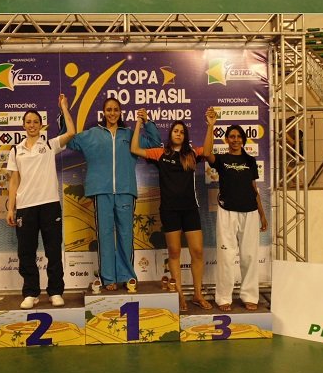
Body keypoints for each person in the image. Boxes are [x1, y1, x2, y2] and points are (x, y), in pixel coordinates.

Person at [67, 97, 161, 290]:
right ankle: (108, 278)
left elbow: (155, 143)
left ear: (120, 112)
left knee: (126, 234)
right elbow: (70, 141)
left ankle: (127, 276)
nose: (112, 113)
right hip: (101, 191)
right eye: (109, 109)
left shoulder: (129, 134)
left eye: (116, 109)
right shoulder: (92, 134)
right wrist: (64, 114)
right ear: (104, 112)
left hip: (125, 190)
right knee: (105, 234)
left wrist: (147, 122)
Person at [130, 112, 211, 313]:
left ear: (185, 136)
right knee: (174, 253)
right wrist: (139, 122)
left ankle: (198, 294)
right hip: (169, 210)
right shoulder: (161, 153)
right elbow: (134, 149)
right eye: (176, 131)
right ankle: (179, 294)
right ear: (171, 134)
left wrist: (211, 125)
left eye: (182, 132)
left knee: (197, 252)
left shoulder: (191, 154)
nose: (178, 134)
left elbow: (209, 151)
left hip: (190, 209)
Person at [5, 94, 76, 309]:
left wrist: (64, 107)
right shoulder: (16, 150)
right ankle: (31, 293)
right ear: (23, 125)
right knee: (26, 252)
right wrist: (11, 208)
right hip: (25, 207)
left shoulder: (50, 145)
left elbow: (71, 133)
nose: (32, 125)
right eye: (28, 122)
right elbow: (14, 181)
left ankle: (55, 291)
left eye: (36, 122)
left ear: (41, 125)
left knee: (53, 250)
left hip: (49, 205)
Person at [202, 107, 267, 311]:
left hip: (250, 212)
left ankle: (249, 295)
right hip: (227, 211)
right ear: (227, 140)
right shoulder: (222, 159)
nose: (235, 139)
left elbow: (254, 188)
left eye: (239, 136)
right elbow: (206, 153)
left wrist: (262, 214)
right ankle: (224, 298)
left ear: (243, 140)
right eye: (232, 136)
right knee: (226, 257)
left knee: (249, 256)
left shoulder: (250, 161)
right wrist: (211, 126)